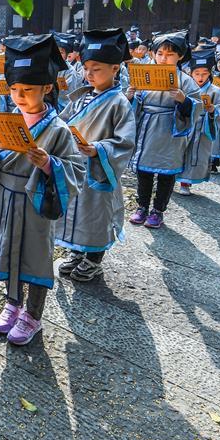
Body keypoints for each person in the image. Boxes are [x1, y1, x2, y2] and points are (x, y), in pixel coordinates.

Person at [0, 33, 85, 345]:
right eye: (15, 89)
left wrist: (49, 164)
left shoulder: (58, 128)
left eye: (28, 90)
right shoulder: (7, 118)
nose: (19, 96)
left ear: (47, 88)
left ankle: (33, 314)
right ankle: (12, 303)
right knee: (7, 251)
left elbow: (76, 169)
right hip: (4, 197)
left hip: (35, 200)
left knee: (34, 257)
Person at [56, 28, 136, 282]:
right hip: (76, 167)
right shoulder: (80, 98)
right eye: (86, 67)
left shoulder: (119, 102)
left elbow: (125, 142)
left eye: (96, 68)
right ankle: (77, 251)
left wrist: (98, 149)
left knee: (96, 215)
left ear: (115, 69)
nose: (88, 74)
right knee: (74, 211)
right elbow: (61, 122)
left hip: (99, 169)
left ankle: (94, 259)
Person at [126, 32, 201, 228]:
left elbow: (197, 106)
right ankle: (141, 206)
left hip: (170, 130)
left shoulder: (185, 81)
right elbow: (132, 105)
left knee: (166, 173)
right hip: (147, 126)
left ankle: (158, 210)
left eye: (169, 55)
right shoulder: (145, 74)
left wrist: (184, 100)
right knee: (144, 171)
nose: (163, 58)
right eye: (159, 54)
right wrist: (131, 96)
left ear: (180, 56)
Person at [176, 53, 220, 195]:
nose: (200, 77)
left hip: (203, 127)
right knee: (177, 153)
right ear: (191, 73)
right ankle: (170, 179)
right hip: (185, 124)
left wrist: (213, 110)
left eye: (204, 73)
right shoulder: (184, 86)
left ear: (210, 74)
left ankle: (186, 183)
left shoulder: (215, 90)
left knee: (195, 156)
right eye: (197, 73)